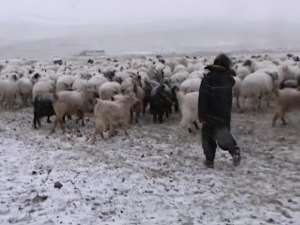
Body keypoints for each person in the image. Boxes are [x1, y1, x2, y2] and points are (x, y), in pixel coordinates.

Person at [198, 53, 241, 168]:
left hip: (208, 114)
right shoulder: (228, 80)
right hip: (223, 114)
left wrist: (201, 114)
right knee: (223, 136)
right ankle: (234, 151)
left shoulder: (208, 79)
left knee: (207, 138)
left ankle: (209, 160)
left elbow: (203, 97)